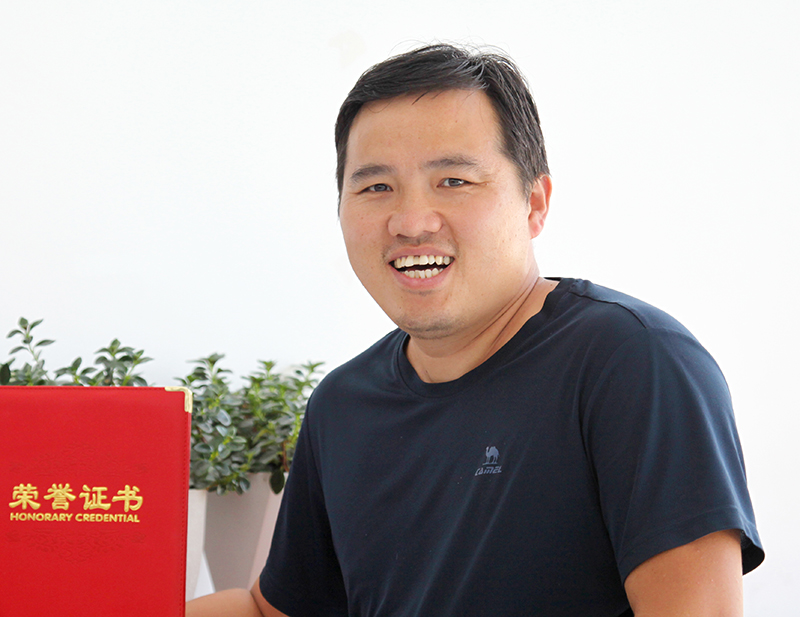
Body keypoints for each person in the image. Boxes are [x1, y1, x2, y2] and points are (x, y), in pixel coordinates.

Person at [187, 43, 763, 617]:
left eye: (454, 181)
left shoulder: (635, 363)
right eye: (376, 187)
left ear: (534, 204)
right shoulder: (341, 405)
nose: (411, 222)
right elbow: (272, 611)